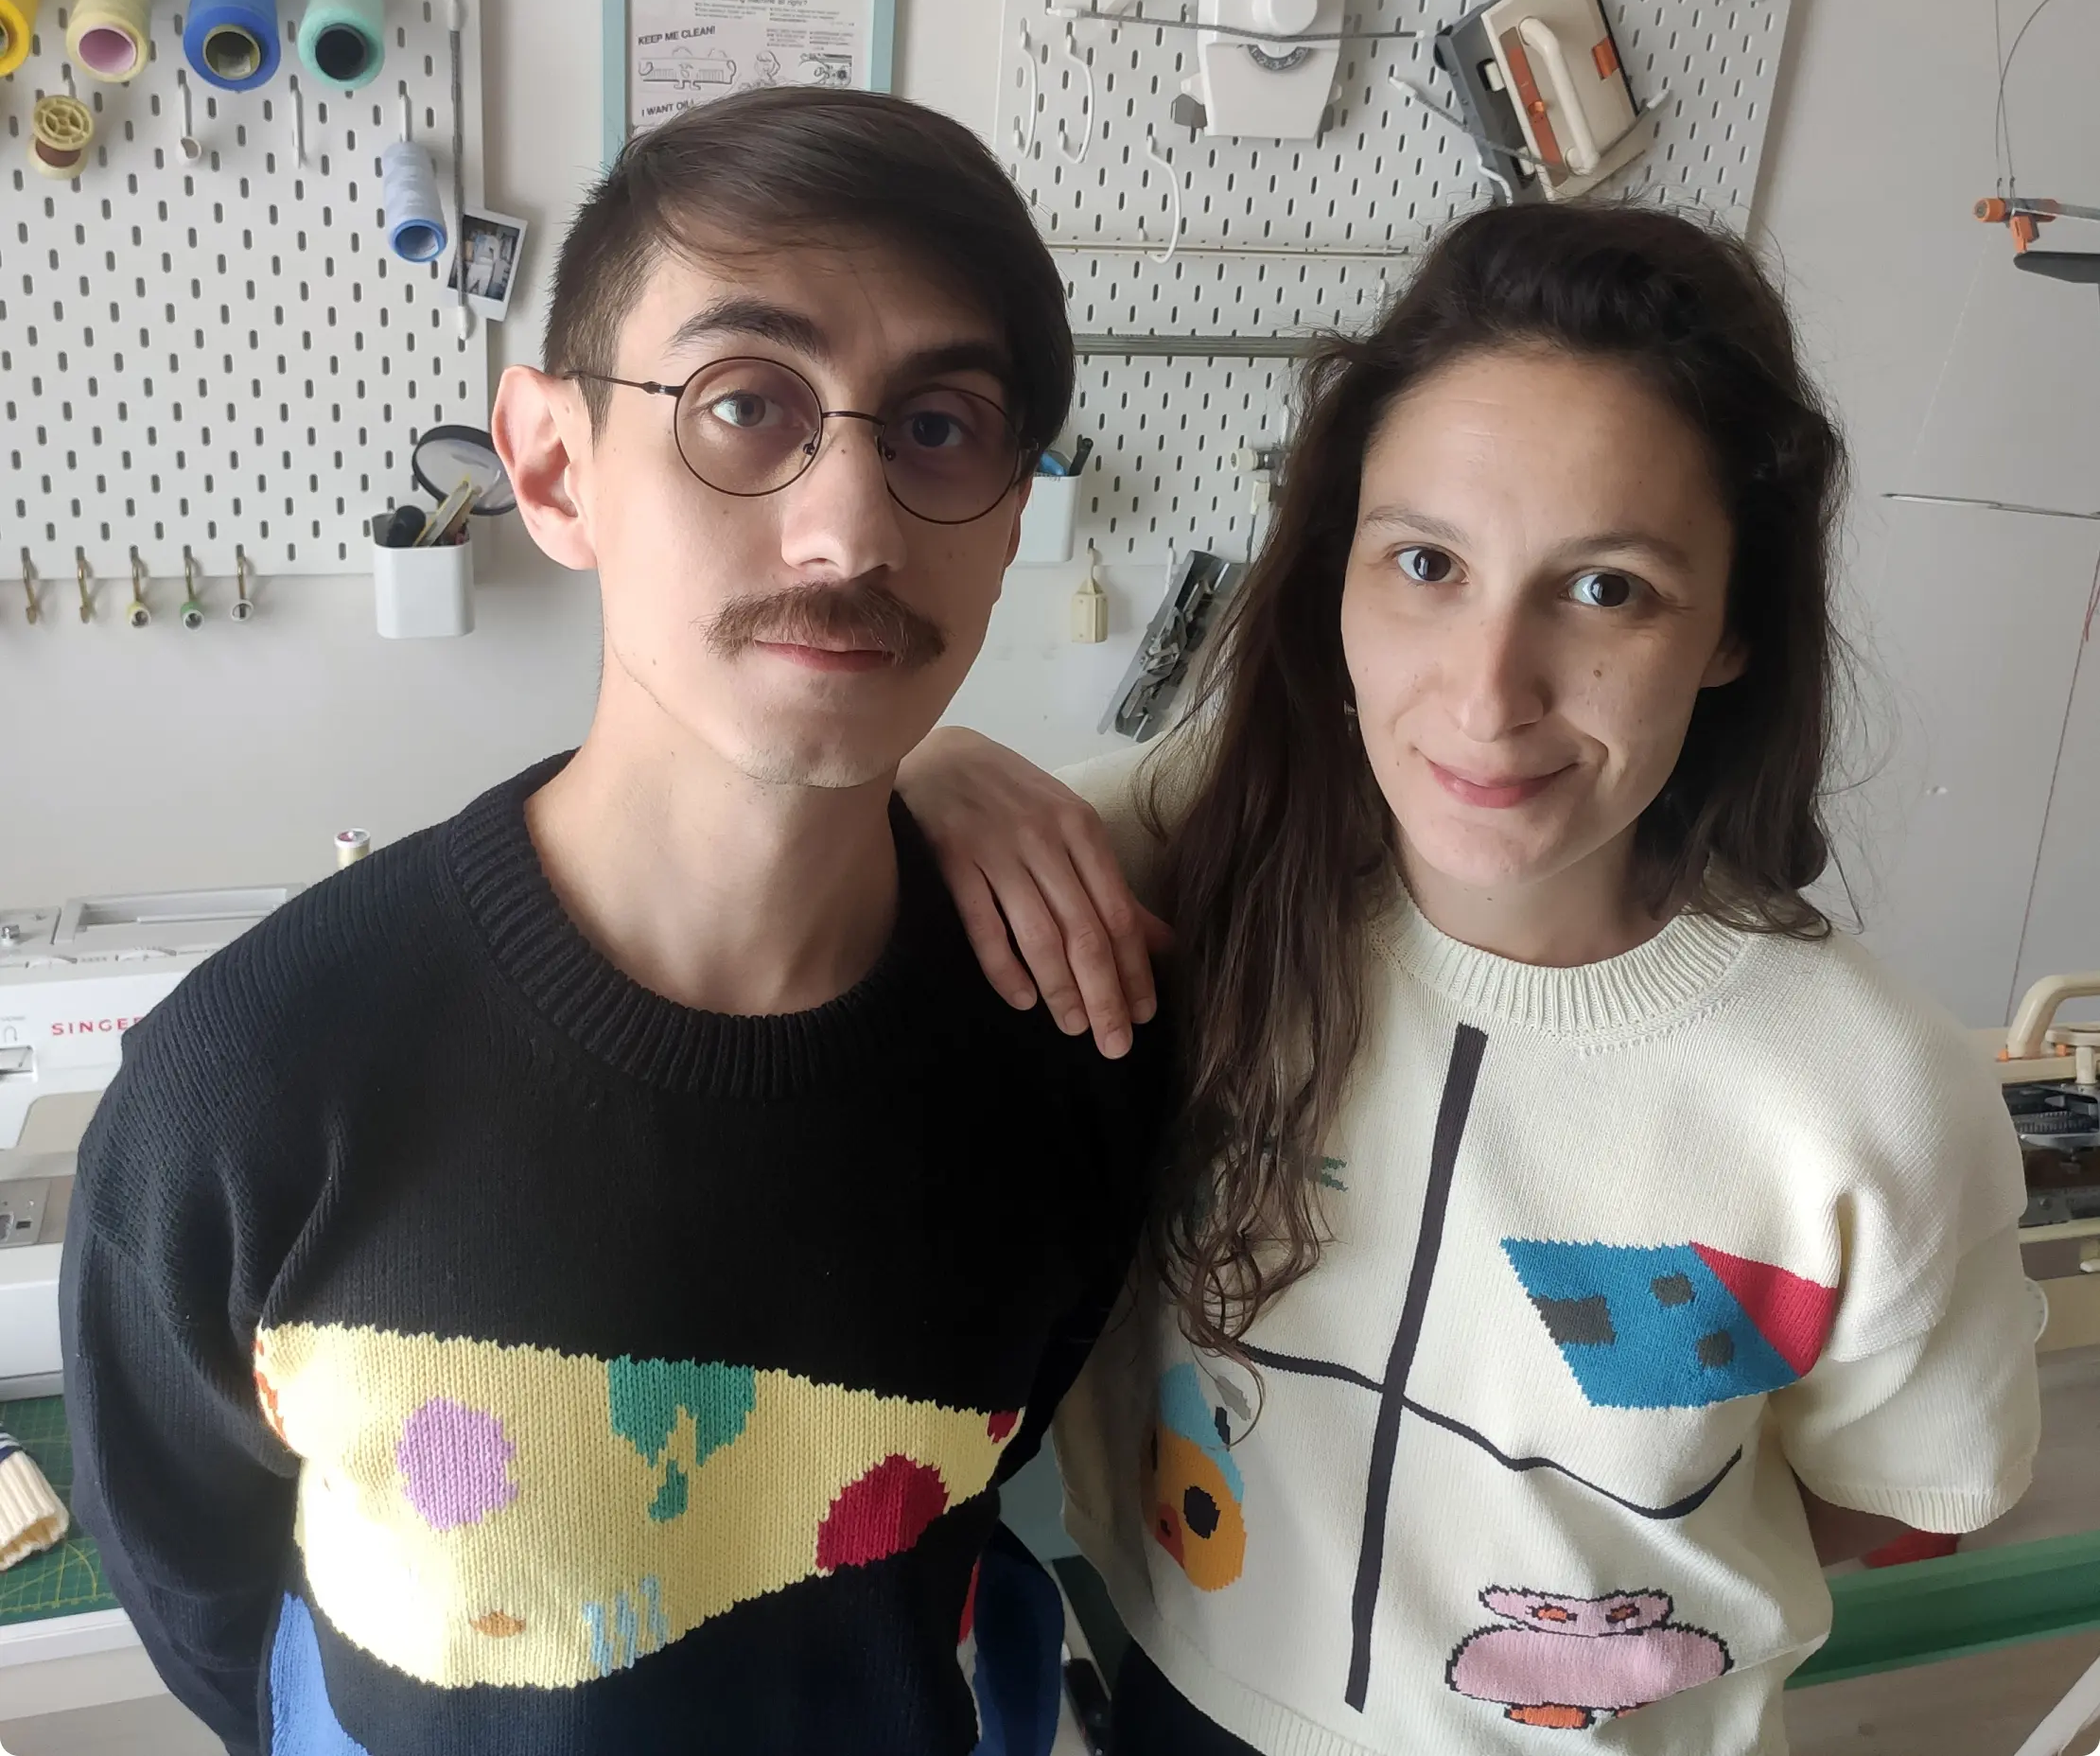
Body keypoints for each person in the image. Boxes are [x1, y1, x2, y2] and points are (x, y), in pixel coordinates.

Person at [61, 88, 1164, 1756]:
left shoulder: (1067, 1052)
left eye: (938, 426)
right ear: (553, 464)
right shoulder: (252, 1090)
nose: (849, 529)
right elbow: (204, 1590)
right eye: (742, 403)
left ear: (1013, 511)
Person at [899, 202, 2040, 1754]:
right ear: (1338, 578)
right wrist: (934, 771)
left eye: (1606, 588)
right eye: (1427, 562)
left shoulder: (1867, 1091)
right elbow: (818, 849)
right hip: (1180, 1703)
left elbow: (1902, 1503)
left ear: (1732, 628)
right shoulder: (1195, 852)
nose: (1489, 695)